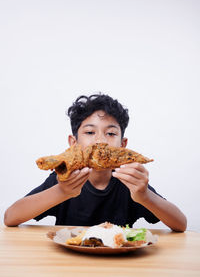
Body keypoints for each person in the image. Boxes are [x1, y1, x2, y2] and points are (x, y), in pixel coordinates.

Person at [4, 94, 187, 231]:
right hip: (69, 262)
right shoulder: (64, 179)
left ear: (122, 146)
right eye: (90, 132)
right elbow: (10, 217)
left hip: (119, 264)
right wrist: (61, 191)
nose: (100, 141)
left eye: (111, 133)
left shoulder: (129, 183)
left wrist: (145, 196)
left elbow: (180, 224)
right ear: (73, 143)